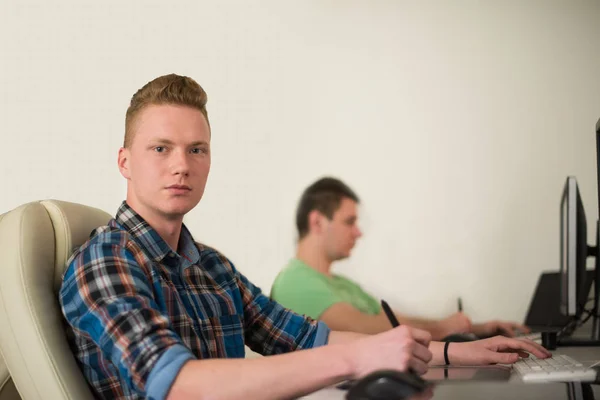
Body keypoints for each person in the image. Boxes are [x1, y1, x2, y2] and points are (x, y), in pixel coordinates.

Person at [59, 74, 549, 400]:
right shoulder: (103, 261)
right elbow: (181, 385)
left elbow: (305, 337)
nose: (182, 165)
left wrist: (454, 351)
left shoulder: (212, 267)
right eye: (160, 148)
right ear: (125, 161)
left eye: (197, 149)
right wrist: (359, 356)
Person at [271, 177, 530, 340]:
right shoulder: (296, 282)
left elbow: (394, 321)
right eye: (349, 222)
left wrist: (475, 328)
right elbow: (365, 332)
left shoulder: (342, 284)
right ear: (317, 221)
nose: (359, 232)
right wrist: (444, 329)